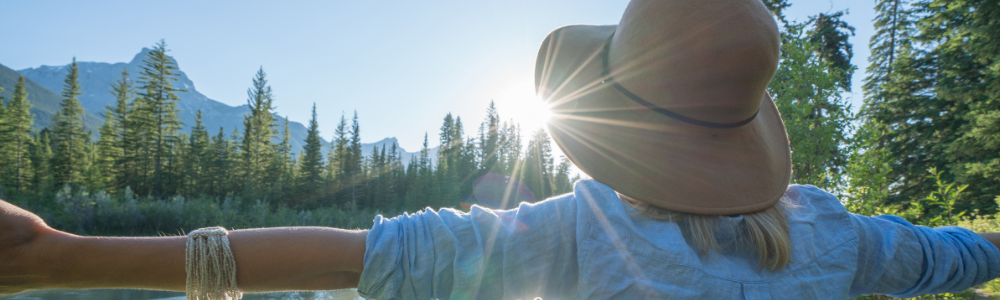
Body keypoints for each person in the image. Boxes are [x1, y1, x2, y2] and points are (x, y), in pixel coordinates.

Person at [1, 0, 998, 299]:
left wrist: (62, 255)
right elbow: (952, 254)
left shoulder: (567, 239)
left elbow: (341, 254)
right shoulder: (832, 238)